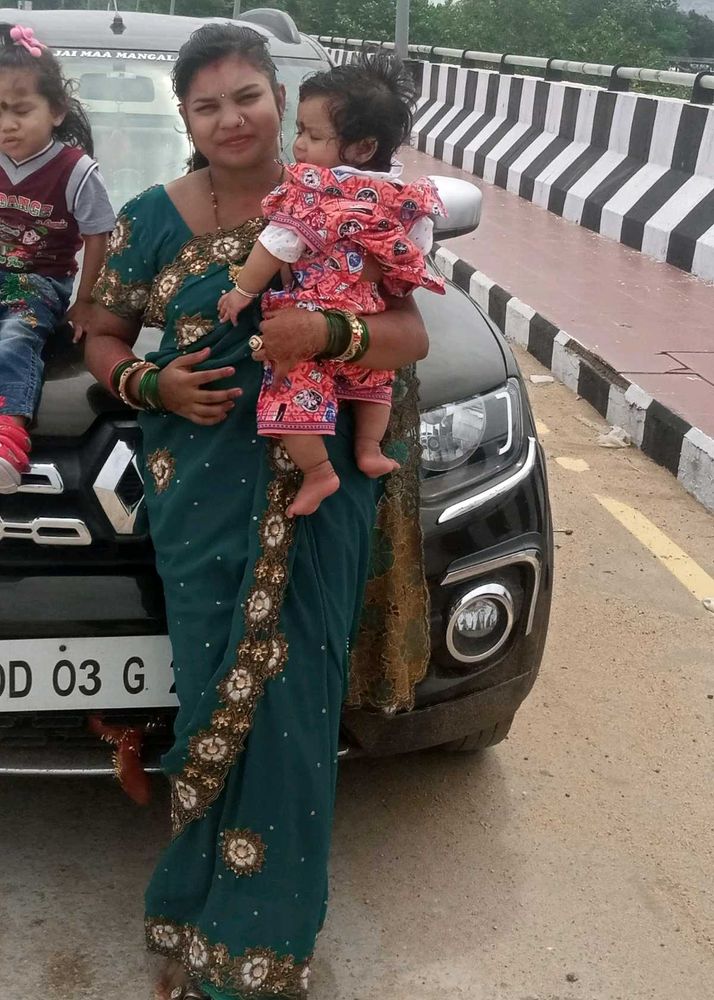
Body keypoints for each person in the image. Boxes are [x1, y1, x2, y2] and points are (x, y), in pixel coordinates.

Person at [84, 23, 428, 1000]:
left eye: (248, 96)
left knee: (292, 715)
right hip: (196, 502)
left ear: (280, 99)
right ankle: (195, 924)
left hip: (319, 499)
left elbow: (406, 331)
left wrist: (331, 327)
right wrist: (152, 385)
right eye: (207, 104)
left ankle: (261, 951)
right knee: (212, 702)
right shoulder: (153, 218)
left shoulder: (345, 199)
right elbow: (101, 332)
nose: (230, 118)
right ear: (184, 117)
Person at [217, 52, 445, 518]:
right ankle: (368, 447)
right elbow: (418, 249)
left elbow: (276, 243)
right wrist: (380, 270)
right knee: (375, 382)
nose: (299, 145)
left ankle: (319, 471)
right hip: (369, 313)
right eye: (298, 131)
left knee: (291, 388)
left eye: (312, 135)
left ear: (361, 147)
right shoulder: (403, 195)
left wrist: (242, 290)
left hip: (308, 312)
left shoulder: (312, 190)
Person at [0, 23, 114, 492]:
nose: (7, 123)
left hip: (39, 281)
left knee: (15, 335)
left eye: (21, 110)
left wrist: (86, 302)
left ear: (56, 111)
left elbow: (98, 237)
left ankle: (8, 432)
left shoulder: (76, 171)